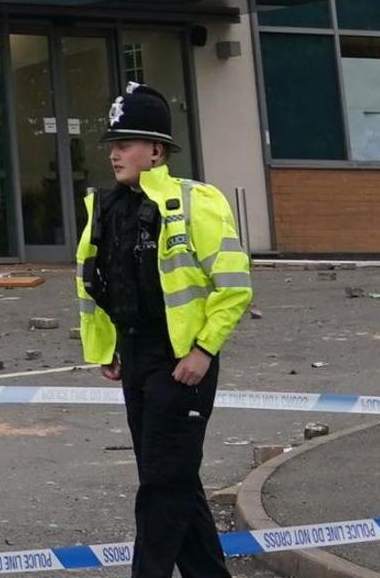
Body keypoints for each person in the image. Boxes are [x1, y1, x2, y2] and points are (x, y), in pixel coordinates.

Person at [75, 82, 254, 578]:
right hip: (134, 356)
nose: (115, 153)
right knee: (174, 479)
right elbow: (99, 283)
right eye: (112, 144)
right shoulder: (106, 208)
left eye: (125, 143)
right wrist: (108, 349)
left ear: (155, 150)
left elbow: (234, 286)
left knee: (161, 484)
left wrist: (203, 351)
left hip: (183, 362)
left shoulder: (197, 202)